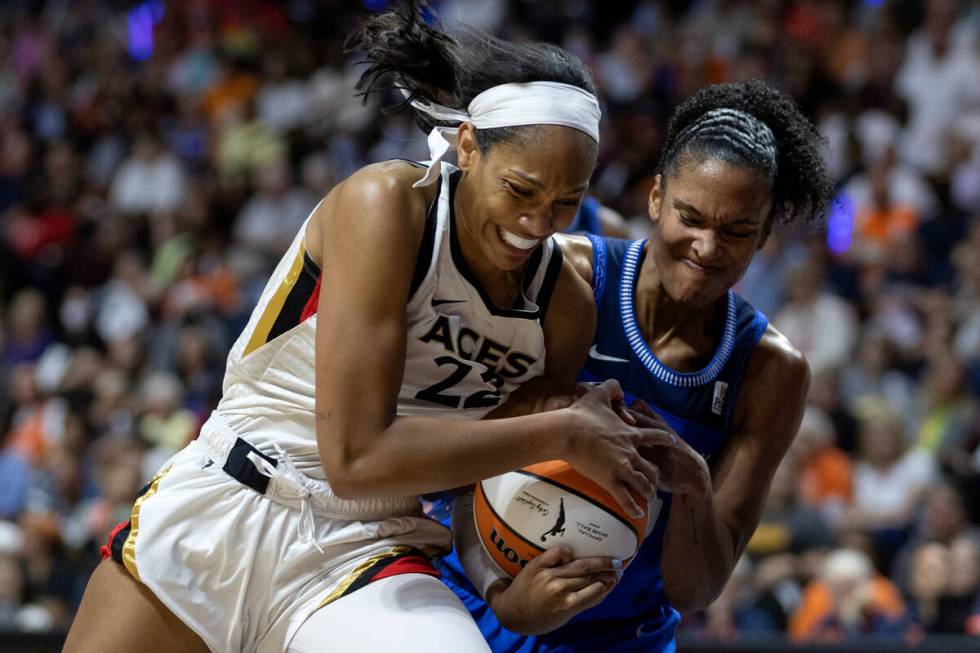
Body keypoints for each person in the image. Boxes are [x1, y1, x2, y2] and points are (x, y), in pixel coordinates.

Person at [63, 4, 672, 652]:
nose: (538, 220)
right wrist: (561, 431)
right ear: (468, 145)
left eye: (565, 201)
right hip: (236, 497)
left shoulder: (564, 309)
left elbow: (482, 473)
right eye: (520, 189)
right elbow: (354, 457)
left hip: (371, 545)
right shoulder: (385, 206)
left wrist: (506, 592)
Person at [437, 80, 834, 651]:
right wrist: (505, 594)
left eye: (737, 231)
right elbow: (457, 472)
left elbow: (695, 591)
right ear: (655, 199)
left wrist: (695, 485)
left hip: (623, 636)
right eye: (690, 217)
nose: (706, 247)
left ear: (764, 235)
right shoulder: (564, 276)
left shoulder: (772, 370)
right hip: (474, 592)